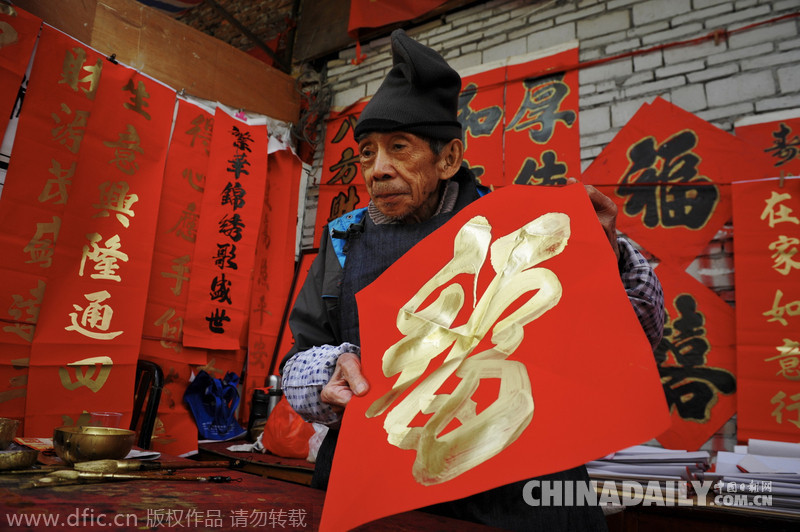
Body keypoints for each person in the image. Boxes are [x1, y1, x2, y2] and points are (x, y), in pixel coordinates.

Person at [281, 29, 665, 531]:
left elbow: (636, 339)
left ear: (449, 159)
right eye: (368, 152)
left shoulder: (522, 230)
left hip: (519, 494)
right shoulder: (342, 241)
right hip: (380, 492)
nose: (378, 170)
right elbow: (298, 359)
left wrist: (605, 258)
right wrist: (328, 375)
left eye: (399, 148)